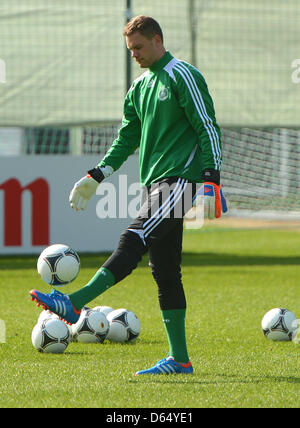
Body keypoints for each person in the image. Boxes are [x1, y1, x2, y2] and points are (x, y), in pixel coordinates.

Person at [30, 15, 227, 375]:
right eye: (130, 49)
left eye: (138, 47)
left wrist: (211, 178)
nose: (133, 54)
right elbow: (126, 138)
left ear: (157, 40)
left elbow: (206, 126)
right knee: (165, 272)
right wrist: (97, 174)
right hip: (156, 183)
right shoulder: (139, 88)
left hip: (180, 180)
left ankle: (73, 304)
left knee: (133, 236)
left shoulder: (183, 74)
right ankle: (180, 360)